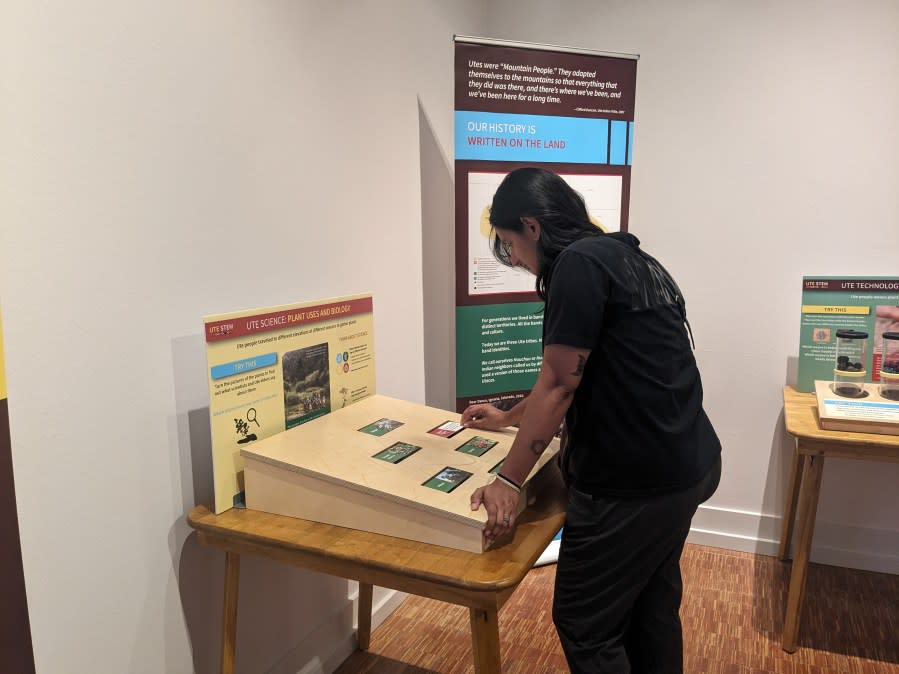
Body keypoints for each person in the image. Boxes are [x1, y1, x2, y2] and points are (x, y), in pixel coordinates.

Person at [461, 168, 721, 673]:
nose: (513, 257)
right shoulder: (628, 257)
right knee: (650, 609)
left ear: (532, 227)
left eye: (510, 243)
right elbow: (592, 377)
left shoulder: (577, 265)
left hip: (633, 487)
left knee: (585, 621)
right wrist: (508, 418)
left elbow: (561, 383)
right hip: (685, 466)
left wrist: (508, 479)